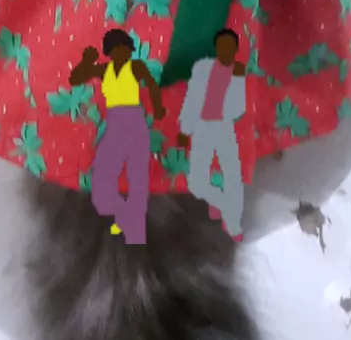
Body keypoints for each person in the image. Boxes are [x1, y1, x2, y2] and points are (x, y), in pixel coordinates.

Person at [69, 28, 166, 244]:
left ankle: (134, 226)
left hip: (134, 121)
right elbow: (77, 77)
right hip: (114, 124)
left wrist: (158, 108)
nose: (120, 52)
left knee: (137, 175)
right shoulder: (106, 69)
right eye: (115, 49)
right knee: (102, 177)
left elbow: (152, 86)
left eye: (123, 48)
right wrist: (87, 61)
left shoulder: (136, 67)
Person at [177, 29, 246, 239]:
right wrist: (185, 129)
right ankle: (222, 205)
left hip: (225, 128)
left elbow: (240, 106)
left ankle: (232, 221)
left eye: (229, 47)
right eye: (222, 46)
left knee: (231, 176)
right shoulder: (202, 68)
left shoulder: (238, 70)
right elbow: (191, 100)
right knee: (198, 183)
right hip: (203, 128)